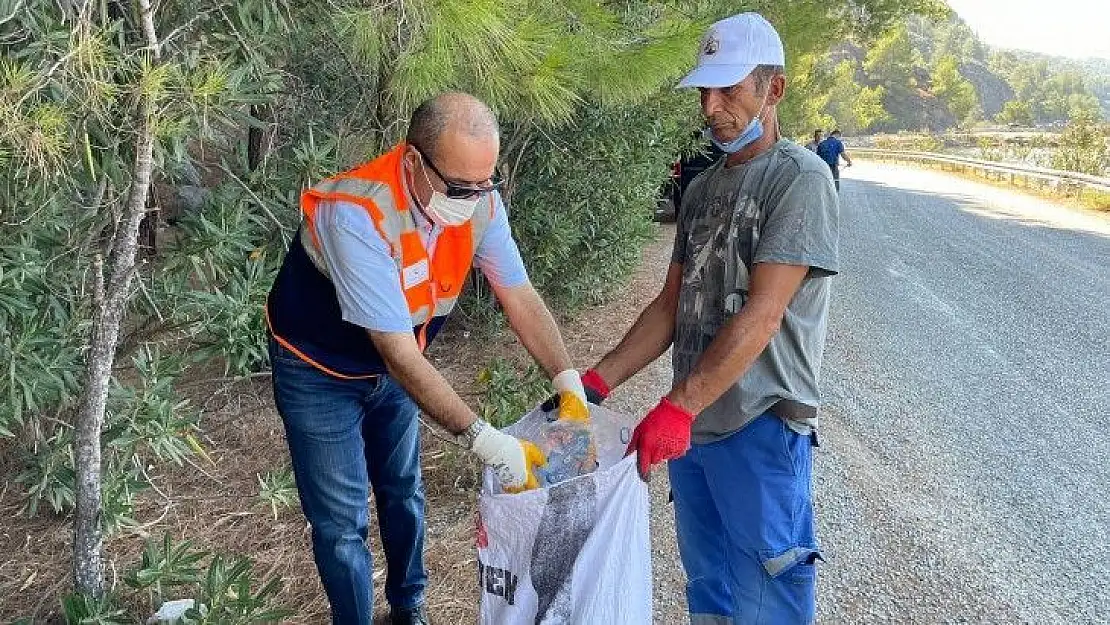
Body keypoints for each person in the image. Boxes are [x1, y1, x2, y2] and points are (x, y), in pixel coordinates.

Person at [264, 92, 589, 625]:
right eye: (461, 186)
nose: (476, 197)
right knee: (341, 521)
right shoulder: (357, 213)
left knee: (403, 492)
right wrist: (487, 440)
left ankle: (408, 609)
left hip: (396, 368)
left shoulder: (479, 200)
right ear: (414, 162)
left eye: (487, 182)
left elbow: (519, 294)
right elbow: (396, 352)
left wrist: (567, 380)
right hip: (318, 373)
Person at [558, 12, 839, 623]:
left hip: (761, 424)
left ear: (775, 88)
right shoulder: (703, 187)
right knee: (708, 584)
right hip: (692, 431)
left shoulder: (800, 179)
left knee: (768, 589)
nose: (711, 106)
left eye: (729, 89)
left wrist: (678, 405)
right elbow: (670, 307)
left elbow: (765, 314)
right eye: (705, 91)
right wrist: (598, 381)